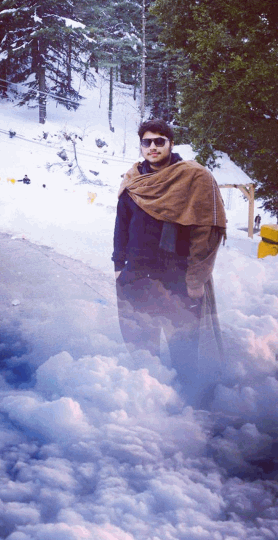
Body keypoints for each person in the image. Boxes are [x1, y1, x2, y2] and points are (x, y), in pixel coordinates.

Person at [112, 119, 226, 402]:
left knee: (184, 348)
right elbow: (121, 226)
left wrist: (195, 280)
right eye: (147, 142)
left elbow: (205, 233)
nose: (152, 147)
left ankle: (191, 405)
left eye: (159, 141)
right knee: (141, 347)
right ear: (141, 146)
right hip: (137, 275)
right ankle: (151, 403)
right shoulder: (133, 181)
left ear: (171, 144)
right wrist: (118, 266)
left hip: (177, 276)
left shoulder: (193, 178)